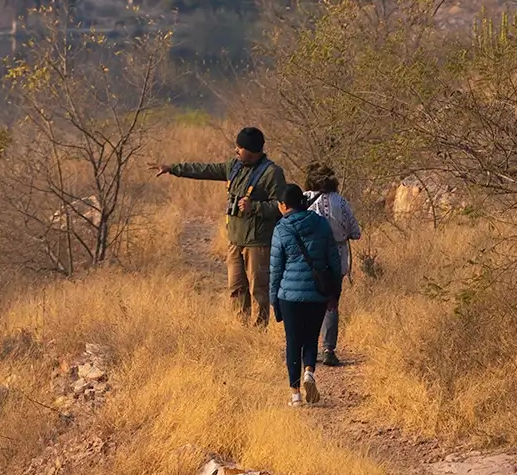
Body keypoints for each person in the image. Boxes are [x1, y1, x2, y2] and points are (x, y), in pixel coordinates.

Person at [152, 127, 286, 326]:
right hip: (234, 240)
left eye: (240, 147)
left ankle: (258, 334)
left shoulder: (272, 173)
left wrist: (255, 207)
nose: (236, 151)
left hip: (258, 243)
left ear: (253, 150)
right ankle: (241, 330)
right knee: (236, 288)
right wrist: (173, 168)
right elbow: (204, 169)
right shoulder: (234, 166)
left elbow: (282, 206)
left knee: (258, 289)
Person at [270, 183, 343, 406]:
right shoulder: (321, 224)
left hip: (289, 296)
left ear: (283, 205)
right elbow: (334, 262)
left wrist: (274, 300)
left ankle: (295, 395)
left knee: (293, 342)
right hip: (317, 294)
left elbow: (275, 269)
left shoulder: (281, 228)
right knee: (311, 338)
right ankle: (309, 372)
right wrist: (334, 294)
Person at [305, 162, 361, 367]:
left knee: (309, 302)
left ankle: (308, 347)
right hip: (336, 257)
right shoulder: (341, 202)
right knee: (331, 303)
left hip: (310, 258)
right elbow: (356, 232)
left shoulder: (304, 199)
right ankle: (328, 349)